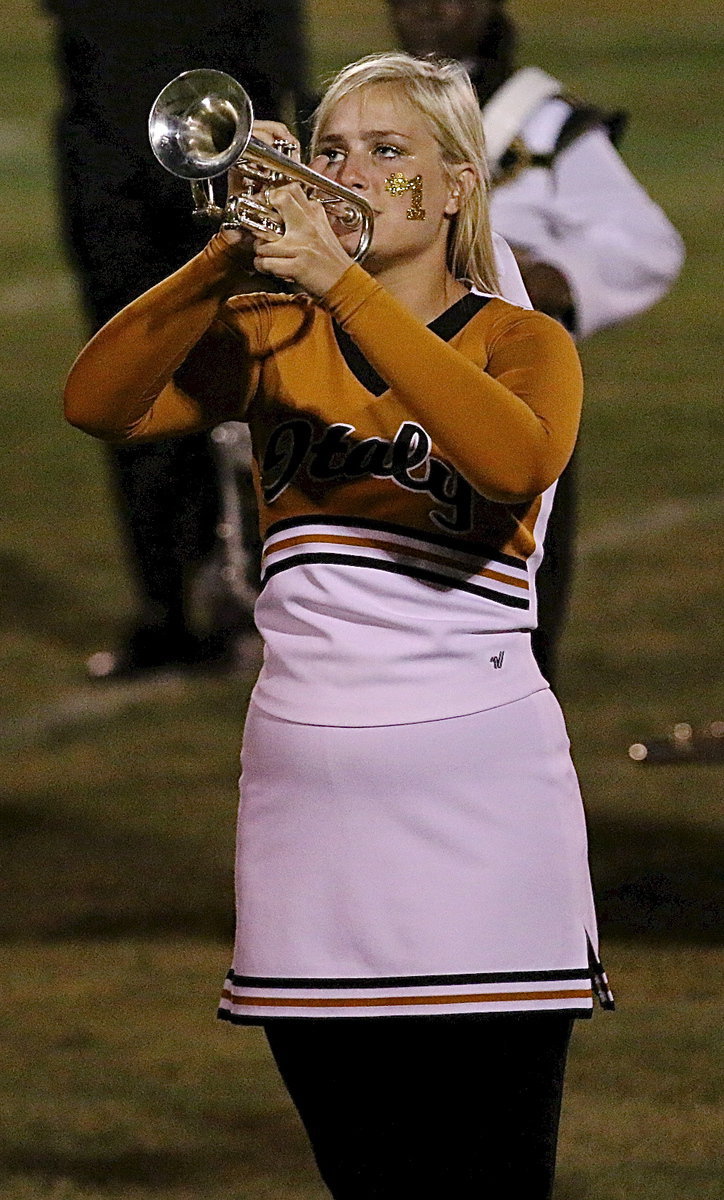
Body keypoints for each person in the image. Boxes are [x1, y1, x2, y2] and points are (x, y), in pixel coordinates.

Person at [65, 51, 614, 1198]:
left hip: (481, 815)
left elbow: (513, 458)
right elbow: (99, 401)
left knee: (489, 1180)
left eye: (385, 150)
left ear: (454, 187)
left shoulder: (526, 345)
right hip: (307, 822)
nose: (344, 171)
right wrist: (221, 258)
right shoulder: (270, 335)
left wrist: (341, 287)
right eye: (328, 149)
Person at [386, 0, 685, 685]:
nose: (425, 8)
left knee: (511, 615)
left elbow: (645, 244)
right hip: (379, 394)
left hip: (509, 392)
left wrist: (550, 275)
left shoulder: (542, 119)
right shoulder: (367, 115)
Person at [46, 0, 308, 678]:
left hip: (219, 148)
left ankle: (258, 598)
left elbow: (275, 41)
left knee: (247, 387)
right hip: (108, 163)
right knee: (128, 384)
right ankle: (163, 607)